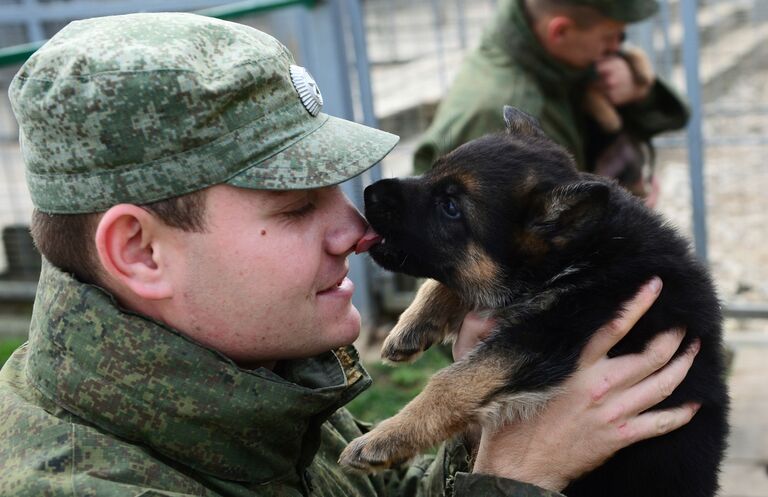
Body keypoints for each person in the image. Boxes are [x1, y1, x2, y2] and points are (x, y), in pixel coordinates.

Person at [0, 13, 699, 497]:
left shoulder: (248, 369)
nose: (358, 230)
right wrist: (512, 476)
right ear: (141, 251)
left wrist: (491, 415)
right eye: (297, 206)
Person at [413, 0, 689, 206]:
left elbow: (673, 117)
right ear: (559, 31)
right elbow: (525, 251)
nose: (616, 48)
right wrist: (628, 211)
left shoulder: (553, 57)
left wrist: (638, 91)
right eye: (609, 37)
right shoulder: (505, 110)